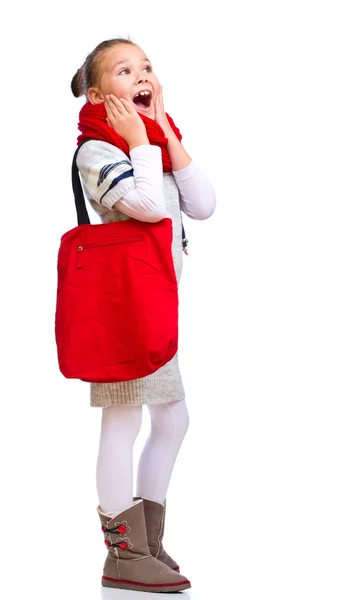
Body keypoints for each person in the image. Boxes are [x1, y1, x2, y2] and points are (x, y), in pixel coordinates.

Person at [71, 36, 216, 593]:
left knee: (172, 420)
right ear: (96, 92)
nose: (141, 75)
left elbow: (202, 205)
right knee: (124, 420)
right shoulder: (97, 150)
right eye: (123, 69)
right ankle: (123, 554)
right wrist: (138, 140)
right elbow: (151, 208)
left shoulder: (152, 139)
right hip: (124, 312)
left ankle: (147, 542)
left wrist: (164, 136)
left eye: (146, 66)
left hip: (157, 309)